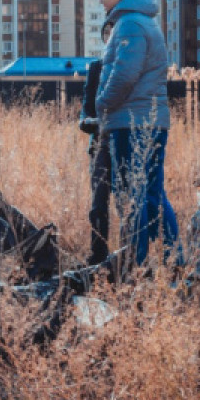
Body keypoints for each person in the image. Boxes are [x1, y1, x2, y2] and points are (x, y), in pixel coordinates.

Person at [94, 0, 179, 267]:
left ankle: (135, 262)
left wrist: (102, 103)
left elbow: (125, 74)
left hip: (131, 121)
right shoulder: (142, 21)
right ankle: (174, 259)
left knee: (131, 192)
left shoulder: (129, 24)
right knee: (152, 192)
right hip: (150, 120)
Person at [79, 55, 111, 266]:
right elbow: (87, 104)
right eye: (105, 32)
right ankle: (98, 255)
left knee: (129, 202)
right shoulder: (97, 67)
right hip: (100, 141)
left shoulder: (129, 63)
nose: (110, 35)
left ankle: (130, 255)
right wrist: (87, 121)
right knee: (98, 202)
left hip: (125, 139)